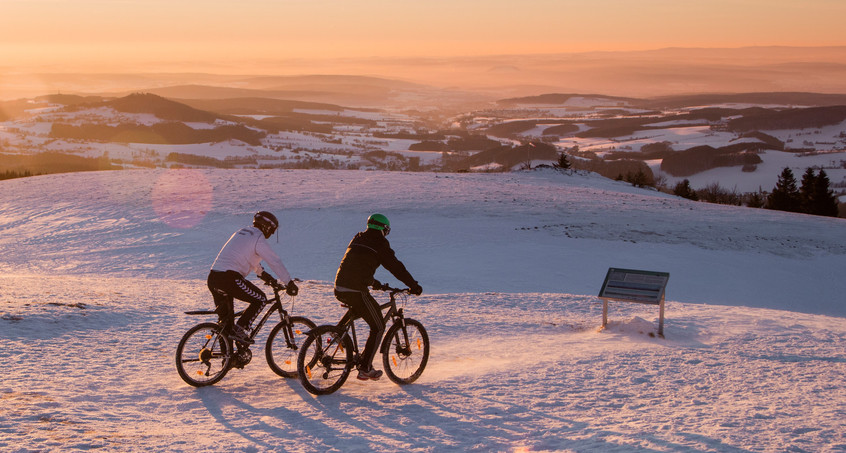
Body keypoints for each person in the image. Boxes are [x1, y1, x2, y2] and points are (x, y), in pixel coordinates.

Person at [333, 213, 422, 381]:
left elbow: (357, 264)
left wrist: (374, 283)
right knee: (378, 326)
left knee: (362, 309)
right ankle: (365, 368)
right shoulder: (380, 243)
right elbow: (396, 267)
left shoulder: (358, 237)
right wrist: (413, 284)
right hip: (356, 289)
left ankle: (337, 333)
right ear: (384, 229)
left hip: (339, 286)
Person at [208, 211, 298, 345]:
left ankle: (227, 359)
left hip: (214, 277)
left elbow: (249, 257)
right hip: (229, 278)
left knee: (226, 324)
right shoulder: (258, 238)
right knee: (260, 299)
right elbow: (274, 261)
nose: (271, 234)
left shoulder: (242, 232)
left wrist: (265, 276)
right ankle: (240, 329)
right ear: (267, 227)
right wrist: (288, 282)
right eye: (272, 231)